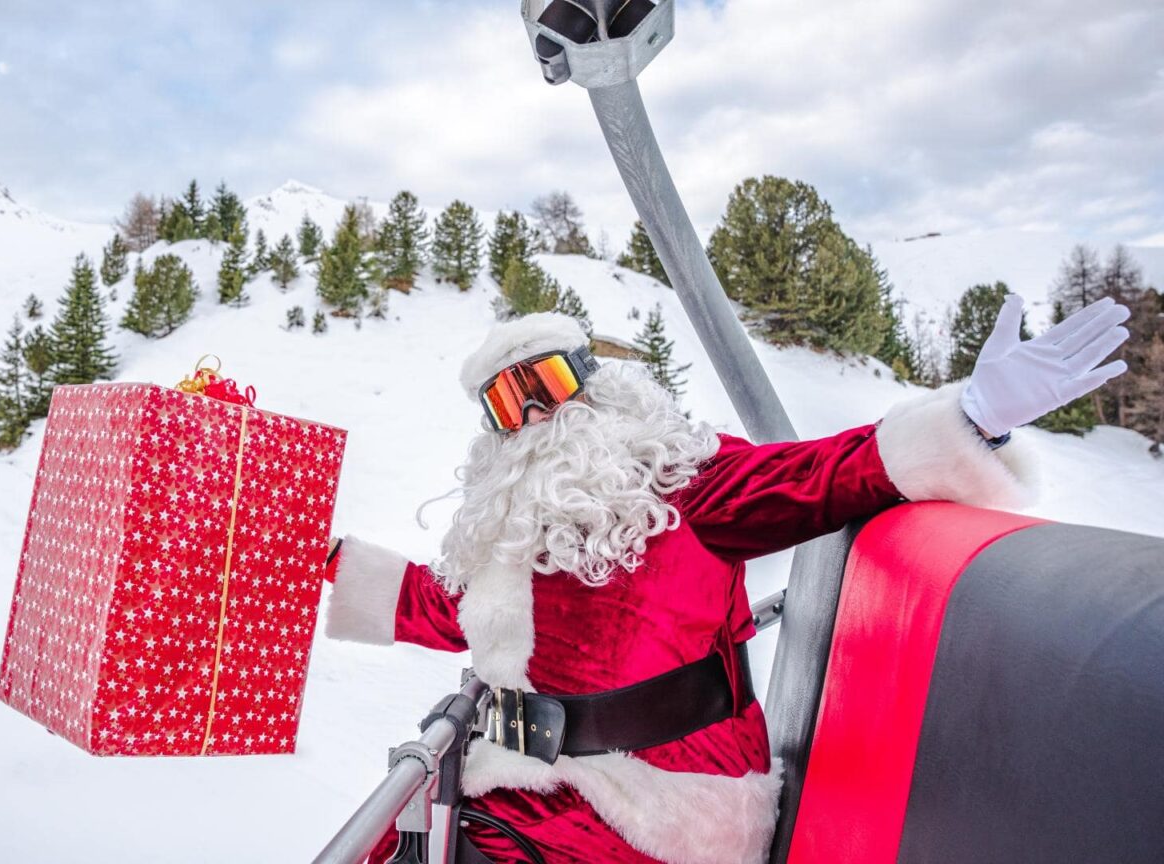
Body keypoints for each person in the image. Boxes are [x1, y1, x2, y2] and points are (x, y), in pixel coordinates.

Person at [324, 298, 1130, 864]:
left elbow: (821, 475)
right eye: (510, 401)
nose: (536, 416)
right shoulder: (513, 525)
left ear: (591, 383)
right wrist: (330, 563)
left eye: (549, 387)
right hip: (510, 795)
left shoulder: (686, 481)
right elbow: (448, 608)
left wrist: (977, 414)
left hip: (653, 809)